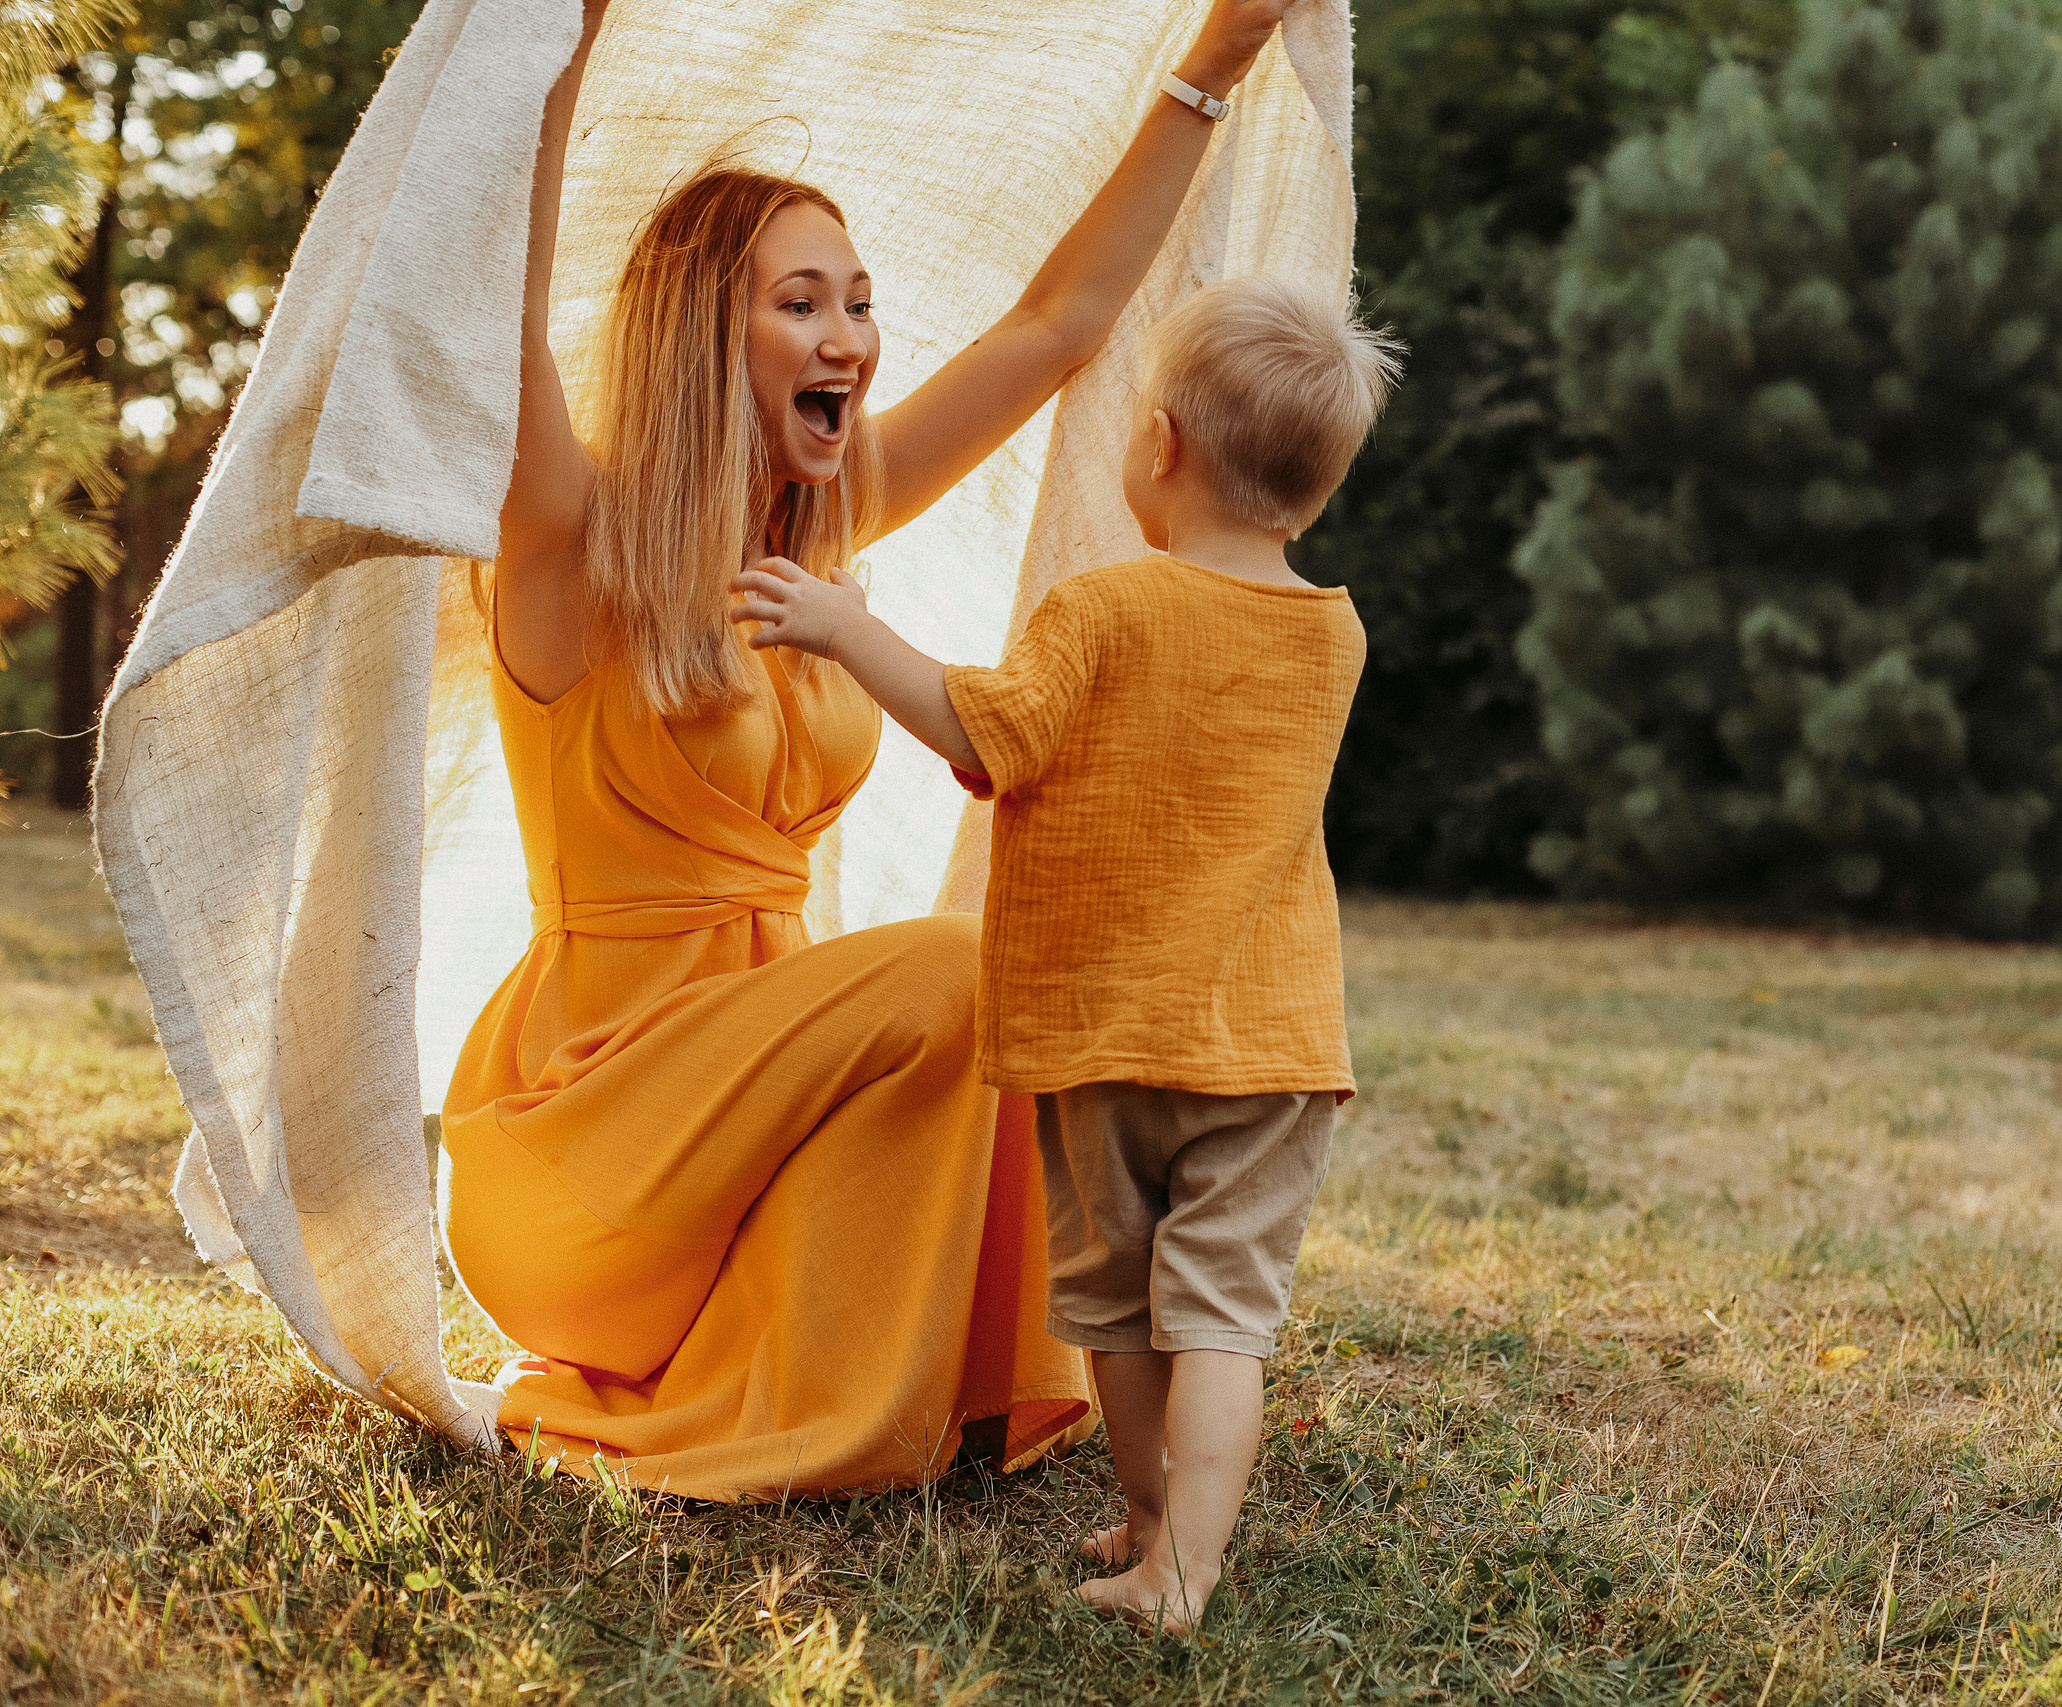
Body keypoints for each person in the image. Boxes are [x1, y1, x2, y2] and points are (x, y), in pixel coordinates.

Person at [436, 0, 1303, 1501]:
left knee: (984, 987)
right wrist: (561, 33)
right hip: (582, 1151)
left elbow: (1057, 326)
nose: (850, 339)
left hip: (748, 1123)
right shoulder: (572, 543)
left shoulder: (819, 541)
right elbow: (492, 298)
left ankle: (894, 1380)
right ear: (704, 336)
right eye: (803, 305)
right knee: (962, 962)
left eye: (860, 302)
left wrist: (1211, 64)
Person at [730, 276, 1400, 1629]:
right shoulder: (1334, 636)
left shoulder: (1100, 611)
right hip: (1267, 1049)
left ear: (1158, 444)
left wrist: (845, 627)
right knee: (1220, 1315)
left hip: (1106, 1038)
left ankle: (1165, 1539)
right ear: (1317, 488)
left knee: (1117, 1309)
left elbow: (987, 734)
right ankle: (1174, 1552)